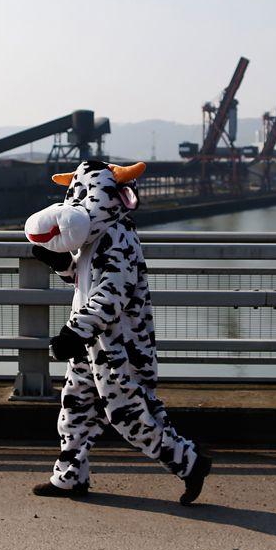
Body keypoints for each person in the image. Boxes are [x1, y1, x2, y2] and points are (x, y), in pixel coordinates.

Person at [23, 159, 211, 504]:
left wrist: (75, 331)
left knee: (129, 415)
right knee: (76, 407)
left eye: (85, 195)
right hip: (92, 342)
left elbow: (113, 293)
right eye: (74, 195)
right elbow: (87, 282)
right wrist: (63, 265)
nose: (77, 204)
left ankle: (190, 461)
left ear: (118, 197)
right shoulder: (95, 237)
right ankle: (69, 477)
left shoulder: (117, 236)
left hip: (119, 347)